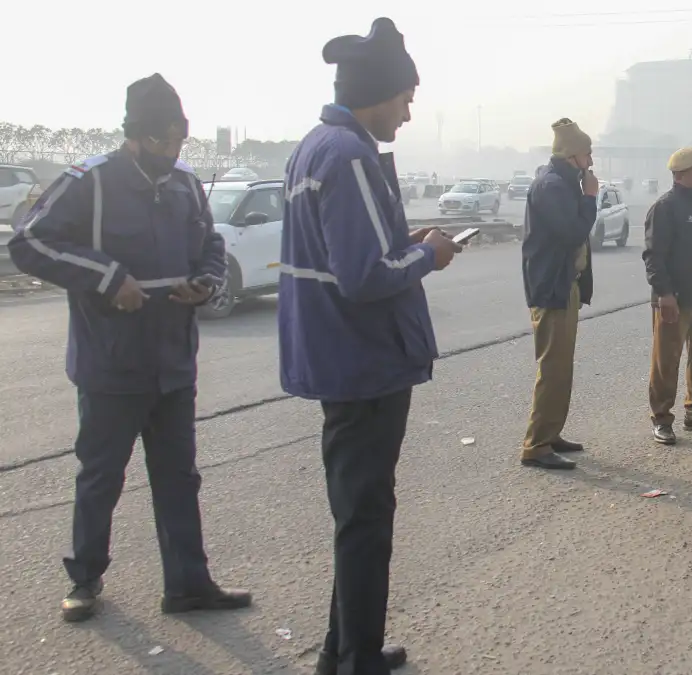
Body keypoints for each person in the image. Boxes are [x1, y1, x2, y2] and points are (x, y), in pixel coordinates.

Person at [6, 74, 251, 623]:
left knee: (179, 476)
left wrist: (205, 284)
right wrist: (108, 276)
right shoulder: (89, 181)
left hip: (172, 360)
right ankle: (85, 580)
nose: (171, 152)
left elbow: (210, 244)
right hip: (111, 361)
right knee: (101, 476)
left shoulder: (186, 183)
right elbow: (30, 241)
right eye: (162, 143)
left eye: (178, 142)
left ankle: (188, 583)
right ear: (134, 136)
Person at [278, 18, 461, 675]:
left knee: (357, 513)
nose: (410, 113)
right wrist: (428, 255)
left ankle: (341, 648)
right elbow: (364, 277)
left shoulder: (315, 146)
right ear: (380, 92)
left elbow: (347, 255)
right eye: (407, 99)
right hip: (364, 363)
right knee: (365, 518)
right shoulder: (350, 153)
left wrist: (403, 242)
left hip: (342, 361)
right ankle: (357, 656)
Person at [518, 118, 598, 470]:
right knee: (552, 368)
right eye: (587, 154)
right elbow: (572, 232)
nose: (591, 161)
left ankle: (550, 433)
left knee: (562, 367)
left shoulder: (565, 185)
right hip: (552, 288)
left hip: (565, 284)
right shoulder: (551, 187)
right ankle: (536, 444)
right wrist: (591, 199)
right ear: (572, 156)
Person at [642, 147, 692, 445]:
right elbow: (654, 256)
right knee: (666, 362)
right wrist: (664, 294)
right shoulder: (665, 208)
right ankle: (662, 418)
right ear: (680, 175)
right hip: (673, 301)